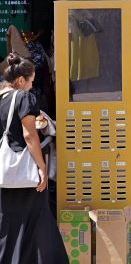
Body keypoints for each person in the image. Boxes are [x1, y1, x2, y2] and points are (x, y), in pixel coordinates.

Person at [0, 54, 69, 264]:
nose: (31, 86)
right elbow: (29, 135)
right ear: (21, 80)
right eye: (30, 81)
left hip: (4, 174)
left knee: (7, 224)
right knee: (37, 222)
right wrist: (41, 167)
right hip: (24, 172)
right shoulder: (23, 97)